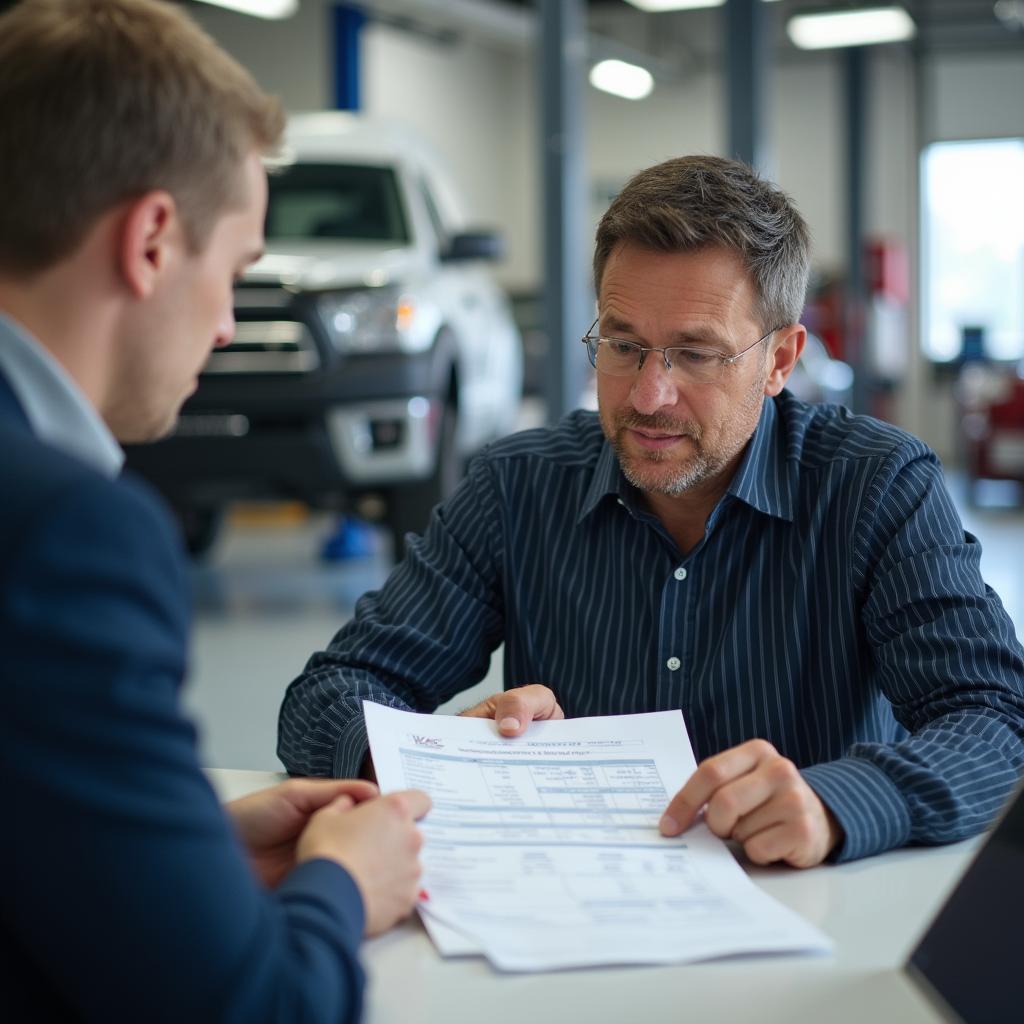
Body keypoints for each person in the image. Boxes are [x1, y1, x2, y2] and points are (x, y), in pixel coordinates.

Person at [279, 153, 1024, 870]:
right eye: (623, 344)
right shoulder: (517, 486)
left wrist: (838, 804)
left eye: (697, 354)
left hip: (801, 916)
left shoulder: (877, 488)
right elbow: (329, 693)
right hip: (569, 927)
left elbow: (995, 721)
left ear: (780, 361)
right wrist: (437, 761)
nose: (647, 396)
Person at [0, 1, 429, 1020]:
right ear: (151, 241)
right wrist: (341, 885)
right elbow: (253, 1004)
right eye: (233, 271)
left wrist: (184, 845)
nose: (231, 322)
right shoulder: (65, 533)